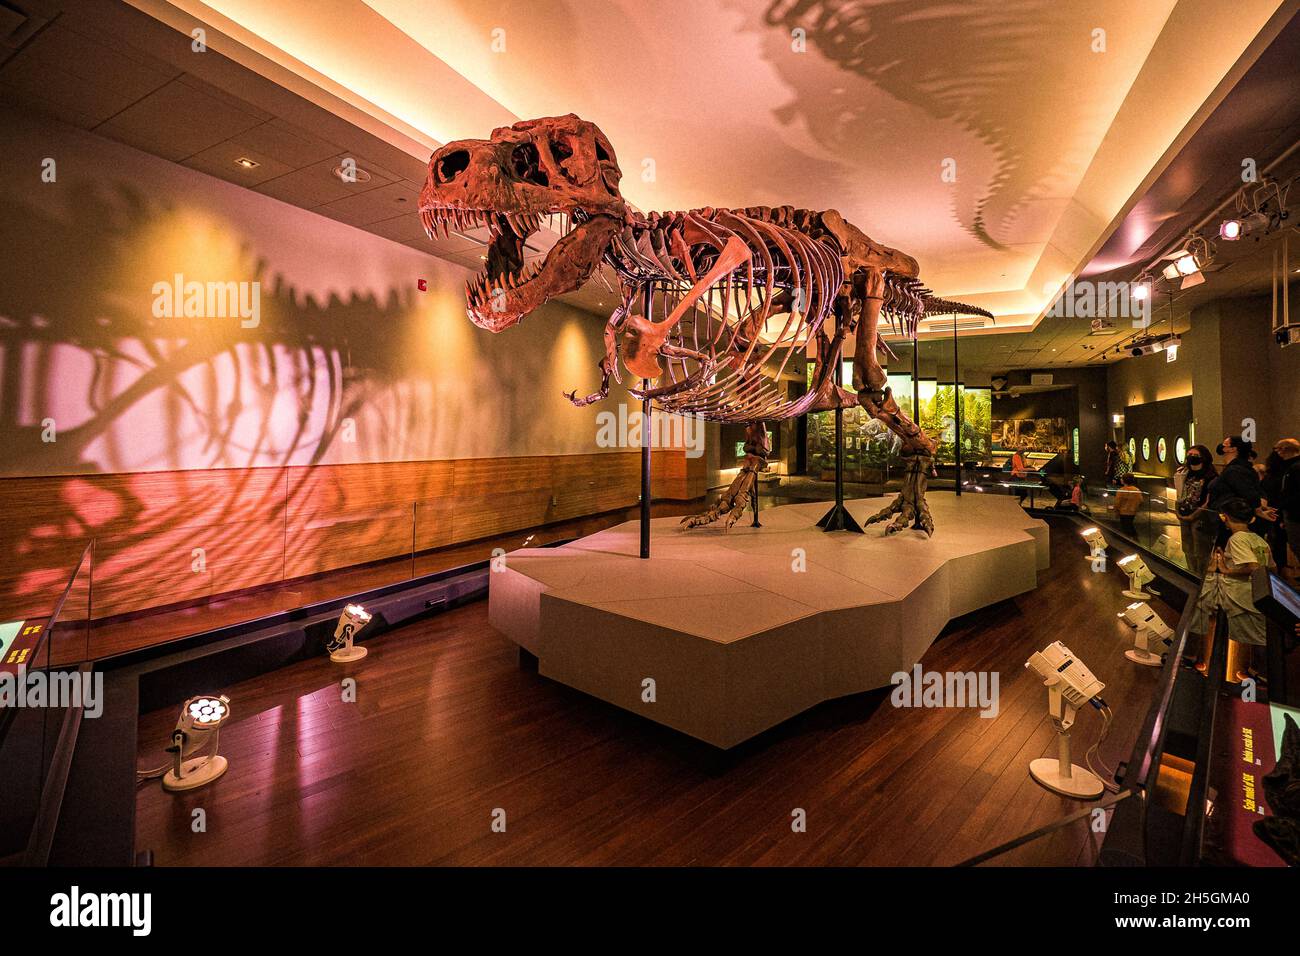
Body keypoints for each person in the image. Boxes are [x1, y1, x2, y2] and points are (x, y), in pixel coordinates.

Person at [1188, 497, 1274, 683]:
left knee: (1255, 636)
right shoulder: (1258, 539)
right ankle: (1257, 672)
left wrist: (1227, 570)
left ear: (1225, 517)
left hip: (1244, 595)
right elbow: (1270, 567)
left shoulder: (1237, 539)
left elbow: (1253, 566)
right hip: (1260, 593)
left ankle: (1261, 675)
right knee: (1259, 635)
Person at [1206, 437, 1272, 546]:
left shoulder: (1234, 470)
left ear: (1232, 449)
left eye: (1225, 444)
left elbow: (1250, 494)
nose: (1222, 446)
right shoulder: (1244, 468)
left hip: (1233, 522)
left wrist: (1259, 511)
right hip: (1231, 520)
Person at [1174, 444, 1217, 578]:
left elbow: (1208, 501)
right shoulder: (1185, 473)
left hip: (1201, 518)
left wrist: (1194, 515)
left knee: (1201, 551)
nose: (1191, 458)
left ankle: (1201, 578)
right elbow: (1180, 493)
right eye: (1189, 455)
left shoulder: (1211, 476)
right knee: (1187, 548)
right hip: (1184, 513)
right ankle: (1191, 575)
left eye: (1196, 455)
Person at [1279, 437, 1300, 582]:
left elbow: (1294, 492)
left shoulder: (1295, 468)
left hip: (1295, 513)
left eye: (1278, 449)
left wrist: (1285, 506)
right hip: (1292, 511)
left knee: (1297, 544)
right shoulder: (1290, 467)